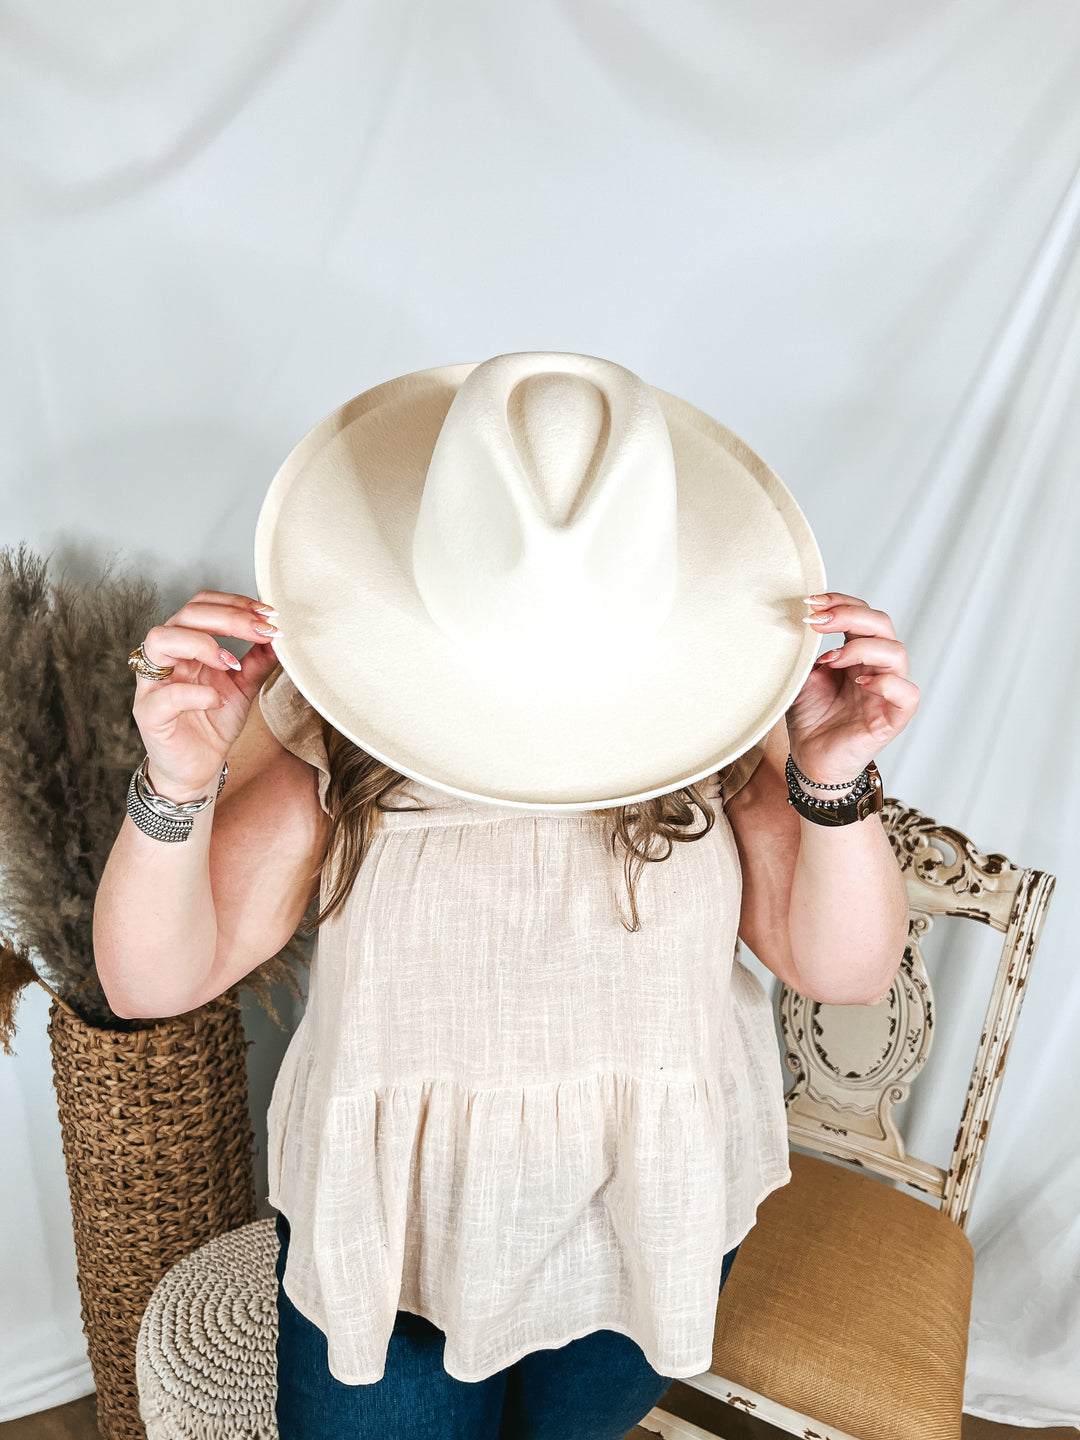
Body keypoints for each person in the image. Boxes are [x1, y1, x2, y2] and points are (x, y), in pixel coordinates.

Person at [94, 355, 917, 1440]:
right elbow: (149, 982)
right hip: (395, 1241)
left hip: (640, 1215)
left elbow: (848, 971)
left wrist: (832, 778)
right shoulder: (339, 722)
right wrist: (176, 782)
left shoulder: (714, 722)